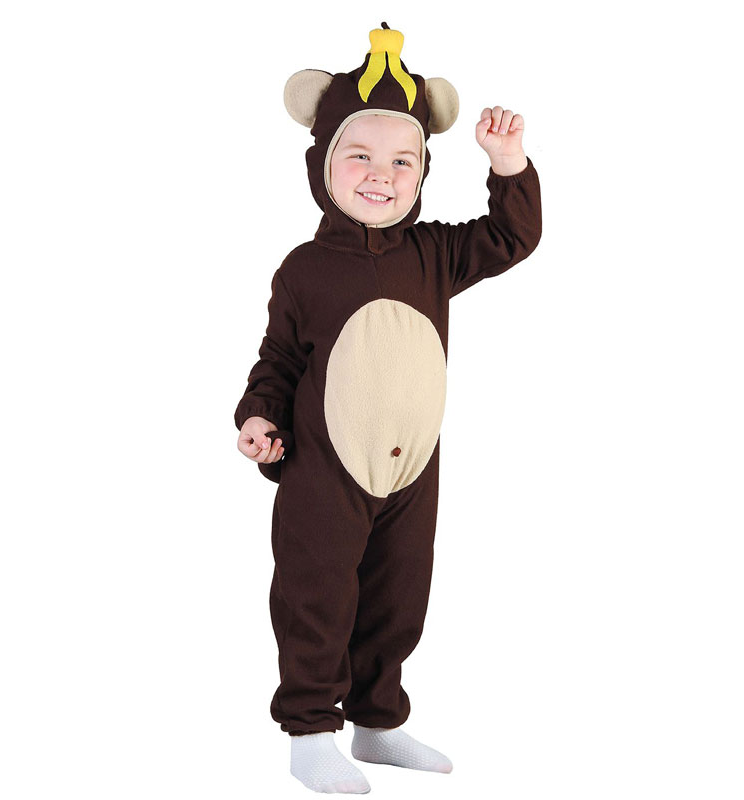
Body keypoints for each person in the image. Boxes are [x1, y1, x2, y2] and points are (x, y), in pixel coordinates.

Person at [234, 23, 542, 794]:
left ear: (423, 171)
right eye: (360, 156)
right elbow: (279, 358)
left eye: (403, 160)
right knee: (317, 594)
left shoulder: (434, 253)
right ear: (322, 164)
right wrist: (259, 416)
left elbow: (511, 237)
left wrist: (507, 163)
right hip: (324, 471)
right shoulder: (305, 269)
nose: (382, 174)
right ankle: (310, 730)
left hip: (411, 471)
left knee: (398, 594)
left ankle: (377, 722)